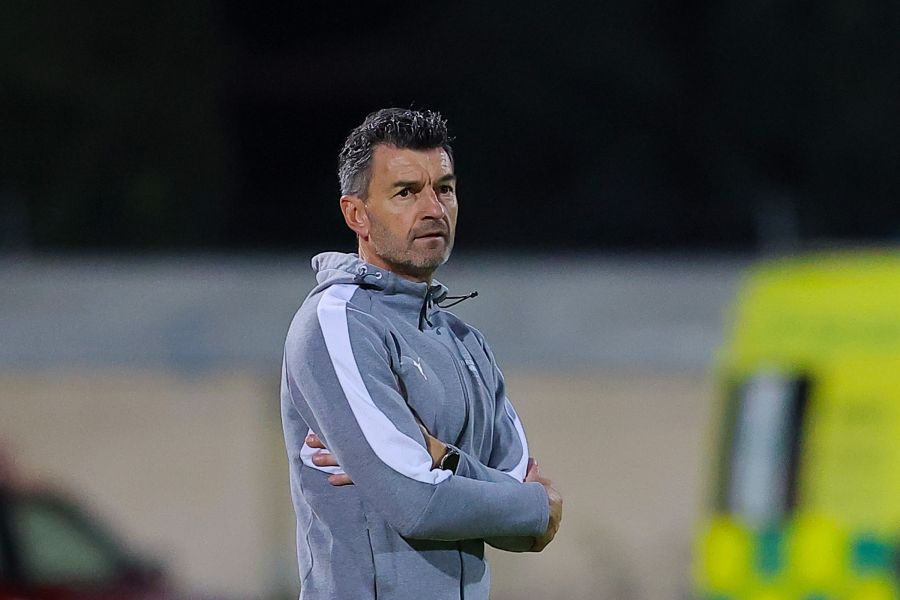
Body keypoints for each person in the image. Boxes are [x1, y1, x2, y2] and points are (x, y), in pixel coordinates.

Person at [280, 107, 563, 600]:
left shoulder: (466, 342)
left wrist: (443, 459)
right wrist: (530, 504)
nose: (433, 208)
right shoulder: (337, 322)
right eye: (407, 192)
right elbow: (416, 504)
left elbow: (527, 523)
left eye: (444, 189)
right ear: (356, 214)